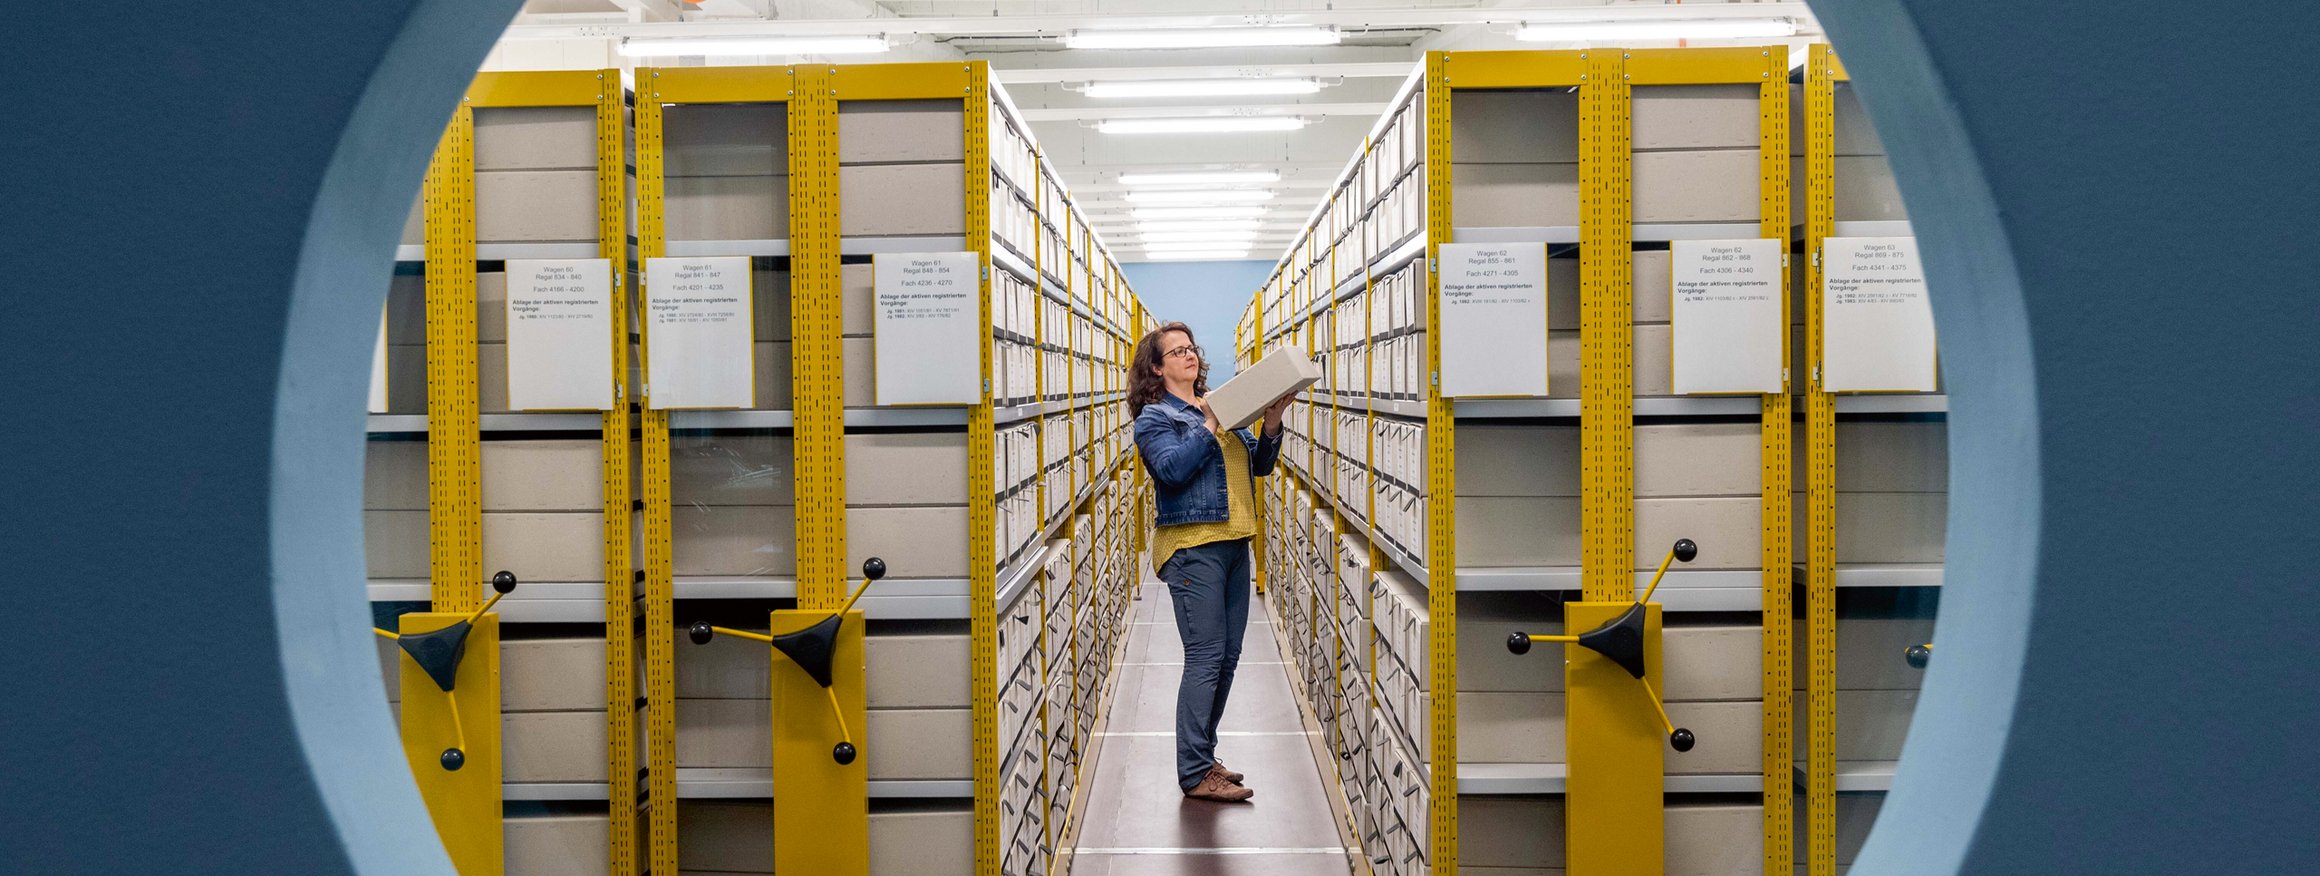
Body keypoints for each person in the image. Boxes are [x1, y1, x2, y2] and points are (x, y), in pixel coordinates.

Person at [1128, 321, 1290, 803]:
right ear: (1156, 368)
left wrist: (1272, 423)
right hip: (1192, 548)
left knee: (1227, 659)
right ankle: (1194, 772)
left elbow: (1257, 465)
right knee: (1204, 657)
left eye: (1190, 348)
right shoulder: (1155, 419)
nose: (1188, 356)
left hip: (1237, 543)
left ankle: (1204, 754)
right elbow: (1172, 470)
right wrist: (1211, 422)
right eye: (1175, 352)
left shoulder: (1221, 404)